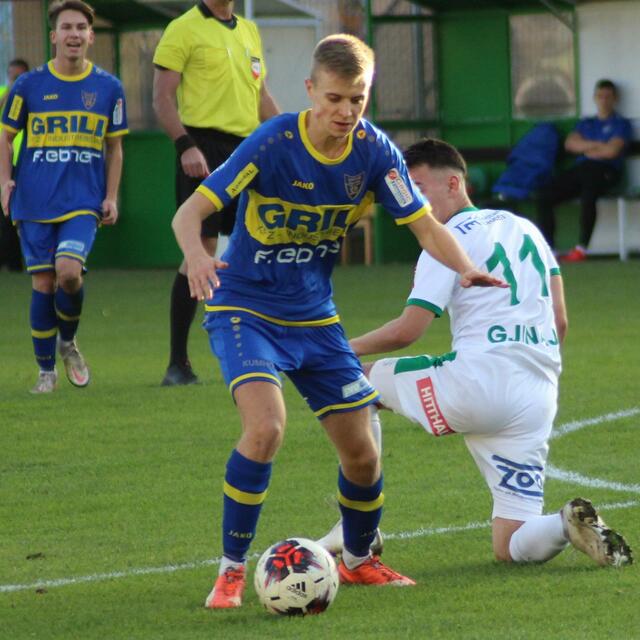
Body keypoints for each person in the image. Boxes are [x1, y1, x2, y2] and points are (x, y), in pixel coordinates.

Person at [171, 34, 506, 609]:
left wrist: (467, 267)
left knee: (363, 451)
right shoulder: (273, 141)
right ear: (309, 91)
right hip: (244, 308)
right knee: (266, 429)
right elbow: (191, 211)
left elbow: (427, 227)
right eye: (335, 98)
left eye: (358, 98)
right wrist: (199, 256)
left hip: (315, 318)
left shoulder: (375, 152)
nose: (347, 111)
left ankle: (357, 561)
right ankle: (230, 571)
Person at [318, 138, 632, 569]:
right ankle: (564, 524)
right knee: (511, 543)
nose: (410, 200)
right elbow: (560, 322)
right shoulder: (528, 230)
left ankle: (358, 529)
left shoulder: (442, 240)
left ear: (453, 183)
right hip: (537, 397)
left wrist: (334, 350)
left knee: (352, 383)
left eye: (418, 187)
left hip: (477, 383)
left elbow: (410, 329)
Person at [0, 0, 128, 393]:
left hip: (81, 202)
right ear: (54, 36)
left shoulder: (108, 88)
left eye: (81, 28)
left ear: (90, 36)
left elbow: (115, 149)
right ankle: (46, 372)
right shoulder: (28, 86)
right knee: (42, 284)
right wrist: (5, 182)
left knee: (68, 274)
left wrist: (111, 196)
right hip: (34, 200)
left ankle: (67, 340)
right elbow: (5, 138)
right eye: (66, 28)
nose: (74, 34)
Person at [153, 0, 280, 386]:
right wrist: (185, 146)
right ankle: (178, 362)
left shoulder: (248, 30)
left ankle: (267, 351)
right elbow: (162, 97)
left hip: (247, 148)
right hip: (202, 147)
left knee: (259, 242)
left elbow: (260, 96)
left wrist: (290, 136)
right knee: (201, 249)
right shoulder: (183, 28)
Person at [536, 79, 632, 262]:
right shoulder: (587, 123)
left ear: (615, 99)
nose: (604, 100)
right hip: (583, 168)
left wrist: (586, 147)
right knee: (545, 194)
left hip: (606, 172)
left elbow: (612, 151)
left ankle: (581, 248)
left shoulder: (621, 123)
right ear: (595, 98)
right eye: (600, 96)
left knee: (589, 191)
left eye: (608, 96)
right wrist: (599, 145)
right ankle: (550, 250)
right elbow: (570, 144)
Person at [0, 58, 29, 271]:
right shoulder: (4, 94)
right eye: (12, 76)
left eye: (19, 76)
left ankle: (16, 262)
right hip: (3, 162)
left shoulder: (33, 95)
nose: (15, 80)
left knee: (16, 214)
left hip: (24, 164)